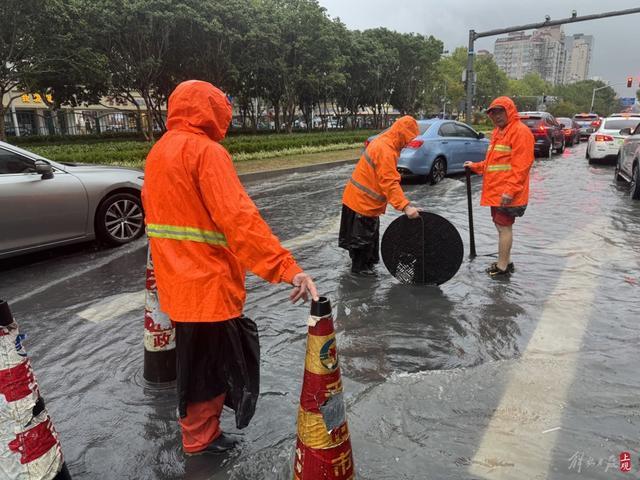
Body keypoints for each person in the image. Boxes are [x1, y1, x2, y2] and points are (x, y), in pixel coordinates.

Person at [142, 80, 318, 456]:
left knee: (197, 364)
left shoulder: (159, 152)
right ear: (212, 110)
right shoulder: (207, 153)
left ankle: (200, 433)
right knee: (207, 368)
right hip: (207, 286)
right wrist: (287, 268)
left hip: (178, 284)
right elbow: (240, 221)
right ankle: (200, 442)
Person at [339, 115, 421, 276]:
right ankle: (359, 286)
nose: (408, 143)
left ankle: (361, 270)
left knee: (363, 248)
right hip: (363, 204)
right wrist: (406, 207)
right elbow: (389, 182)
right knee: (361, 255)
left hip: (359, 201)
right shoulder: (386, 150)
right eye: (408, 138)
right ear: (401, 134)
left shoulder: (385, 141)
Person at [463, 96, 534, 278]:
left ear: (509, 111)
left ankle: (502, 267)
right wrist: (475, 166)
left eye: (500, 112)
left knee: (504, 227)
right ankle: (506, 261)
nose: (496, 116)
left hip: (507, 193)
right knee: (500, 226)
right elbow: (493, 163)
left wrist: (509, 192)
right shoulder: (498, 133)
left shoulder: (519, 132)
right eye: (493, 113)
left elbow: (521, 167)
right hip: (497, 192)